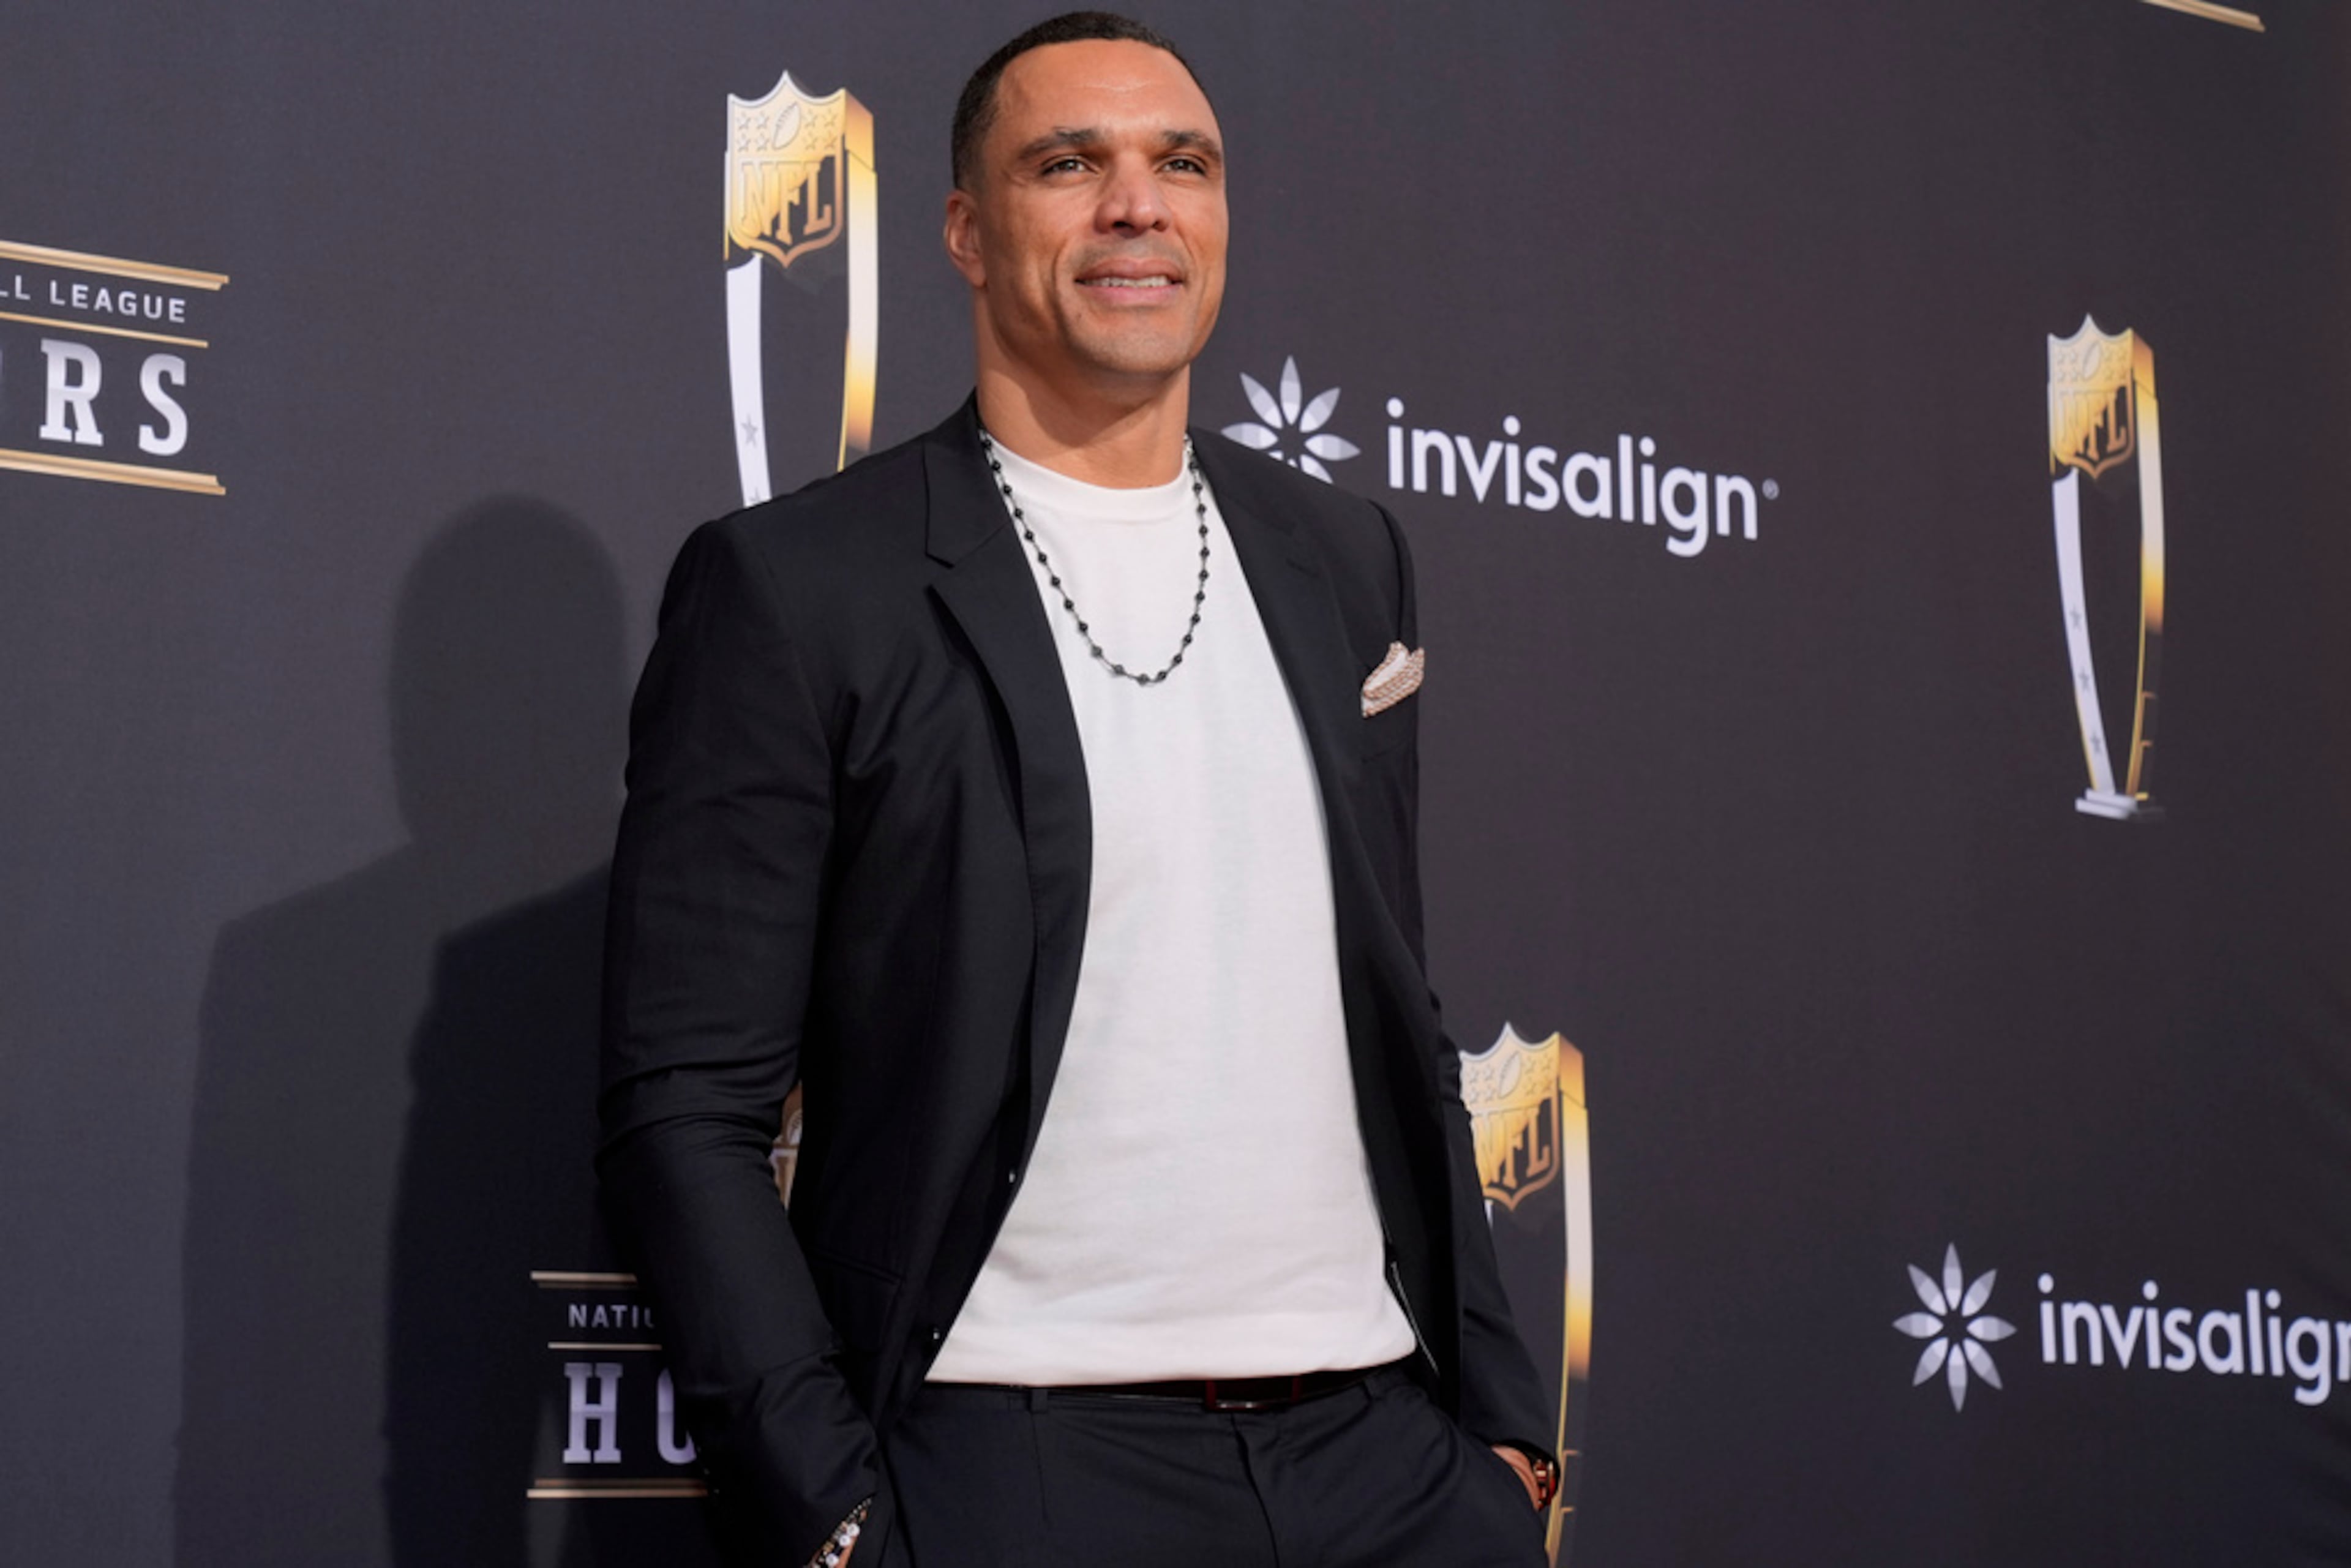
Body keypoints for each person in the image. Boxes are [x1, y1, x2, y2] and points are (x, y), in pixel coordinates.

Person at [599, 13, 1555, 1566]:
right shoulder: (798, 588)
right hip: (1014, 1466)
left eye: (1183, 164)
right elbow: (685, 1111)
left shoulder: (1347, 560)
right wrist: (836, 1521)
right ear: (969, 234)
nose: (1138, 205)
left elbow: (1399, 1019)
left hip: (1391, 1468)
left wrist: (1504, 1441)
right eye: (1071, 165)